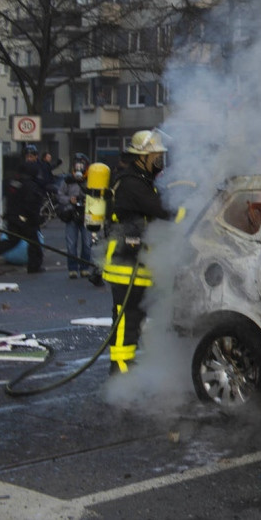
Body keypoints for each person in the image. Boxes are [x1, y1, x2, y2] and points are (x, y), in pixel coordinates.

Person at [102, 130, 178, 375]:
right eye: (156, 156)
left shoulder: (142, 181)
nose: (159, 161)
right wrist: (190, 212)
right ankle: (120, 368)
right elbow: (162, 211)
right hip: (125, 262)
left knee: (135, 318)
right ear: (141, 157)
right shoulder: (132, 183)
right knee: (126, 319)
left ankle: (125, 365)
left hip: (137, 261)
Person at [1, 162, 46, 273]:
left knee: (11, 241)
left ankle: (34, 265)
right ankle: (34, 266)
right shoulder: (31, 186)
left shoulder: (12, 182)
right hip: (26, 220)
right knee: (34, 242)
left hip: (12, 217)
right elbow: (32, 206)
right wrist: (37, 219)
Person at [57, 156, 91, 278]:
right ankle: (72, 269)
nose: (79, 168)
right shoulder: (67, 180)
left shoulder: (91, 180)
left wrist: (88, 200)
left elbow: (98, 195)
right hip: (71, 214)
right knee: (71, 244)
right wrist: (69, 200)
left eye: (81, 166)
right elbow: (59, 195)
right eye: (77, 166)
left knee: (87, 244)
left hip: (87, 215)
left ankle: (84, 268)